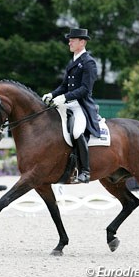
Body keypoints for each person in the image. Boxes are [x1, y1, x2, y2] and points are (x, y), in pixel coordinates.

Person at [42, 28, 100, 183]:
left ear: (82, 42)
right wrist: (52, 94)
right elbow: (64, 86)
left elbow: (85, 89)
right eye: (70, 39)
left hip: (80, 105)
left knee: (76, 132)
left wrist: (64, 97)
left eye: (73, 39)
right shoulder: (72, 62)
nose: (69, 42)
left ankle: (85, 171)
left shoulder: (89, 62)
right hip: (67, 104)